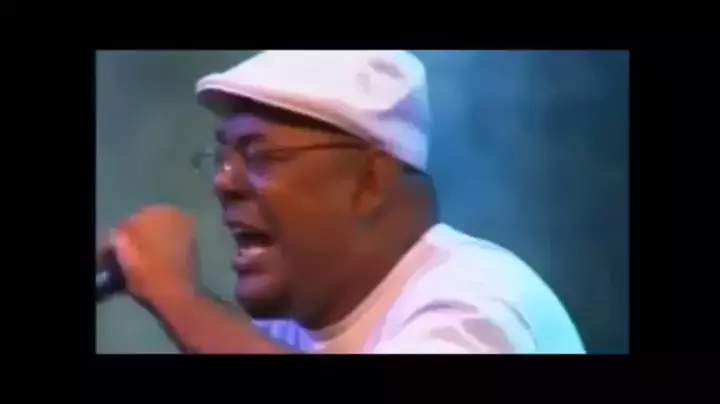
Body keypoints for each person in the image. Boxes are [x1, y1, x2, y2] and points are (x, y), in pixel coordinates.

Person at [101, 50, 586, 354]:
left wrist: (182, 299)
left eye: (258, 155)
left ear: (370, 181)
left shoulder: (477, 308)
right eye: (222, 157)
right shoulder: (294, 325)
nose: (223, 183)